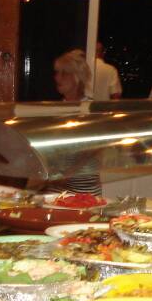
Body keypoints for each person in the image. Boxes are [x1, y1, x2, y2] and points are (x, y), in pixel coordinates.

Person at [51, 49, 102, 195]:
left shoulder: (91, 109)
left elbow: (95, 148)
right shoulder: (55, 109)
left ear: (77, 77)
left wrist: (68, 172)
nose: (57, 78)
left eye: (64, 73)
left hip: (84, 188)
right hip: (55, 187)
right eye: (57, 72)